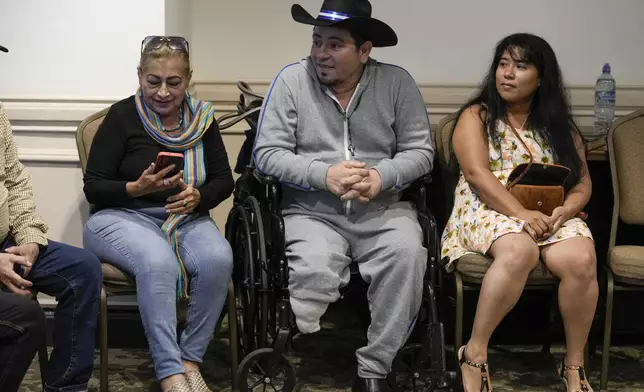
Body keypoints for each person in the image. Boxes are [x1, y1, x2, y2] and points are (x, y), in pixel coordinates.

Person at [253, 1, 433, 391]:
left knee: (407, 255)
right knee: (314, 269)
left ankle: (374, 369)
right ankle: (305, 333)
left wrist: (381, 176)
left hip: (382, 209)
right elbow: (266, 154)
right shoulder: (291, 81)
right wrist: (323, 175)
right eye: (317, 41)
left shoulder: (396, 83)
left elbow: (421, 152)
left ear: (364, 51)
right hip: (311, 210)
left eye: (334, 45)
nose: (320, 53)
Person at [441, 33, 597, 392]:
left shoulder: (560, 127)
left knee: (581, 260)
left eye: (521, 66)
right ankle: (474, 353)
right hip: (486, 207)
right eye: (503, 64)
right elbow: (478, 176)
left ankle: (574, 365)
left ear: (541, 78)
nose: (507, 74)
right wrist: (521, 215)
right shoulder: (476, 116)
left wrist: (566, 210)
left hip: (548, 213)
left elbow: (583, 184)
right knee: (519, 248)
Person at [82, 36, 234, 392]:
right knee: (159, 261)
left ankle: (188, 360)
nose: (163, 92)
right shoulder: (121, 116)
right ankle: (169, 374)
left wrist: (198, 197)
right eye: (154, 81)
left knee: (218, 258)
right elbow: (94, 186)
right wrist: (136, 188)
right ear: (139, 76)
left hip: (185, 217)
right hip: (119, 216)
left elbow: (225, 180)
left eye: (174, 82)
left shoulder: (202, 119)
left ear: (188, 79)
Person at [0, 43, 102, 392]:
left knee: (84, 269)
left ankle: (66, 387)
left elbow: (15, 181)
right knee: (26, 317)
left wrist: (28, 236)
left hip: (7, 242)